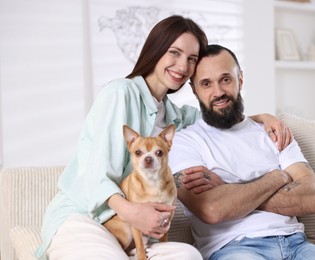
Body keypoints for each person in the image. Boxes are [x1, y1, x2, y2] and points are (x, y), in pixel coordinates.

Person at [35, 16, 290, 260]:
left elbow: (218, 113)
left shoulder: (176, 117)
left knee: (188, 255)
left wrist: (260, 117)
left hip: (132, 232)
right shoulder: (120, 93)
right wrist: (132, 212)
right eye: (174, 53)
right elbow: (93, 175)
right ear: (156, 49)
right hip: (86, 219)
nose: (182, 66)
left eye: (191, 59)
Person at [169, 44, 315, 260]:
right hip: (235, 249)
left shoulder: (273, 132)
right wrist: (278, 177)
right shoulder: (184, 142)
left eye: (226, 79)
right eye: (206, 83)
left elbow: (312, 199)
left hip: (298, 246)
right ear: (194, 90)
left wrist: (229, 190)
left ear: (240, 79)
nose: (218, 92)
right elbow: (212, 210)